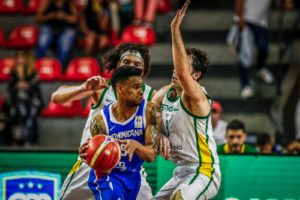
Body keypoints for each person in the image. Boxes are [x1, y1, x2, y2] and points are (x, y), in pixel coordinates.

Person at [56, 43, 155, 200]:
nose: (131, 66)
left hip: (129, 169)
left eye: (137, 64)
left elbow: (161, 122)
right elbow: (57, 97)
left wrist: (161, 137)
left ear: (143, 70)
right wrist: (83, 87)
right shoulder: (101, 86)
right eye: (126, 62)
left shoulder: (150, 95)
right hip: (94, 161)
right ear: (117, 65)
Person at [152, 1, 221, 199]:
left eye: (181, 64)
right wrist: (158, 135)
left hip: (204, 170)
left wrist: (174, 30)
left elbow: (183, 73)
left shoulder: (197, 96)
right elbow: (149, 116)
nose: (176, 69)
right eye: (175, 65)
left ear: (196, 75)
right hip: (181, 171)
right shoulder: (163, 94)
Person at [79, 66, 161, 199]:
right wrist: (89, 153)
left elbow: (151, 156)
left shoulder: (150, 111)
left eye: (141, 87)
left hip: (133, 176)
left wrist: (137, 146)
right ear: (120, 88)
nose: (141, 92)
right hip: (108, 176)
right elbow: (97, 156)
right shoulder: (101, 120)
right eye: (135, 87)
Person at [233, 0, 274, 99]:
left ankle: (261, 68)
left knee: (263, 48)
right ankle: (245, 85)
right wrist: (240, 19)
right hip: (247, 21)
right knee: (245, 54)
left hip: (262, 22)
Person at [5, 50, 44, 146]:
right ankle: (23, 138)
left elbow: (34, 88)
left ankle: (25, 138)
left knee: (27, 107)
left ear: (27, 59)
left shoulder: (33, 72)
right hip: (17, 101)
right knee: (19, 101)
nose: (19, 60)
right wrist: (18, 80)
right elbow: (10, 89)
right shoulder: (13, 72)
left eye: (21, 58)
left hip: (33, 100)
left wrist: (23, 80)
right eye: (18, 58)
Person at [35, 0, 78, 67]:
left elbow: (75, 19)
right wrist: (50, 16)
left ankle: (58, 68)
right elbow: (38, 18)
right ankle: (37, 66)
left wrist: (64, 16)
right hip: (50, 28)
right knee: (43, 41)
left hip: (65, 29)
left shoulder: (70, 2)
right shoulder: (47, 2)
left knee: (65, 45)